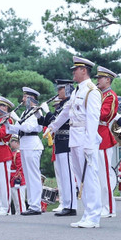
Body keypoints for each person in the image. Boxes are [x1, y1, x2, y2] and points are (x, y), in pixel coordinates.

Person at [48, 56, 103, 228]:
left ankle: (94, 216)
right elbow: (66, 111)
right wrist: (53, 126)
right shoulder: (78, 91)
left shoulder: (91, 91)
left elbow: (93, 118)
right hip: (74, 137)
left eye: (75, 69)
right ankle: (87, 213)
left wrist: (89, 143)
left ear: (84, 70)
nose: (73, 72)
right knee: (81, 178)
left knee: (90, 177)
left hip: (85, 138)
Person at [43, 80, 78, 217]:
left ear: (68, 89)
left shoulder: (70, 103)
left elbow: (57, 120)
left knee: (68, 175)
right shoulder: (62, 104)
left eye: (61, 89)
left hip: (67, 140)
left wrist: (47, 114)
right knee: (64, 176)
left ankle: (71, 206)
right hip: (60, 141)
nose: (58, 92)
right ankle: (67, 204)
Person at [15, 87, 46, 215]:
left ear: (31, 98)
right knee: (28, 176)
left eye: (25, 97)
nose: (22, 99)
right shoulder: (25, 112)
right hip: (24, 144)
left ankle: (36, 205)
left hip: (32, 144)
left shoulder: (36, 111)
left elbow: (30, 127)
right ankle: (32, 204)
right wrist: (9, 125)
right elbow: (18, 129)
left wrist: (16, 120)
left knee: (33, 176)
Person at [95, 68, 120, 218]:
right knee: (97, 176)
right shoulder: (99, 94)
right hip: (96, 135)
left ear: (108, 80)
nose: (98, 80)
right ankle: (100, 205)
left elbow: (105, 115)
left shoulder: (110, 96)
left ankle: (109, 208)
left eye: (101, 78)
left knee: (104, 175)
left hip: (103, 135)